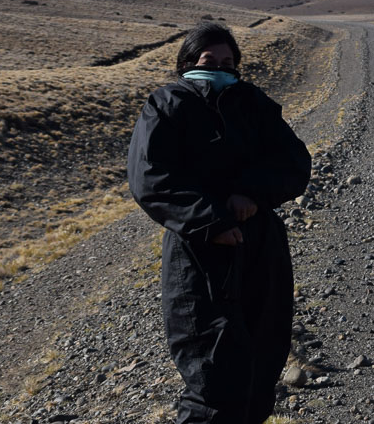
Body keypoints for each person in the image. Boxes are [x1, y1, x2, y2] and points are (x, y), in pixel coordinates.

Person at [128, 21, 312, 424]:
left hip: (261, 247)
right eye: (210, 60)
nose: (221, 68)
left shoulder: (253, 103)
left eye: (230, 62)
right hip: (199, 255)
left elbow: (295, 163)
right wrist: (212, 221)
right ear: (188, 62)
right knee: (213, 376)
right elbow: (150, 179)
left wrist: (252, 192)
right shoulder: (167, 104)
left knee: (263, 364)